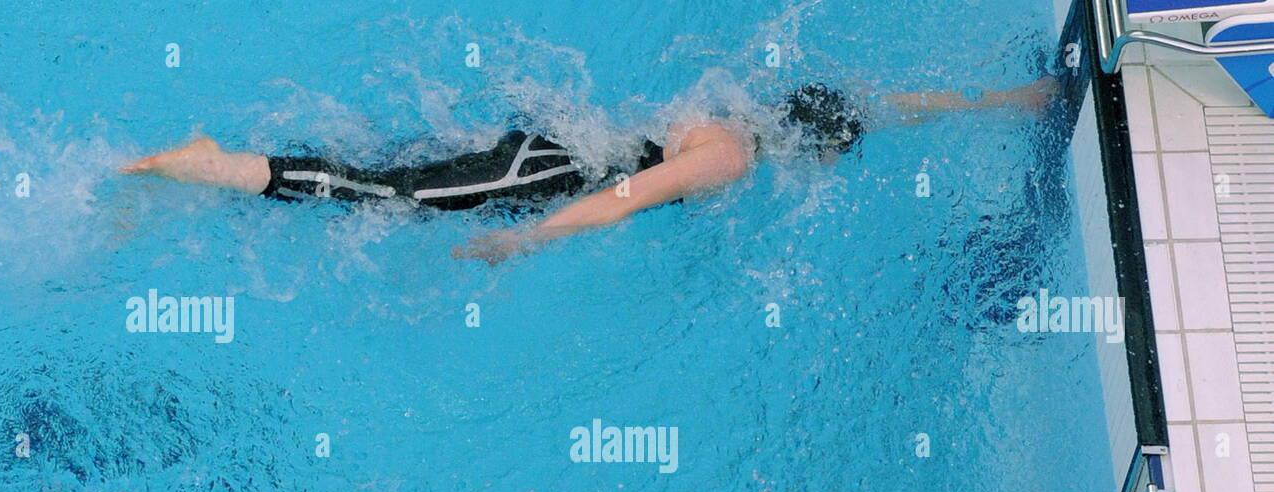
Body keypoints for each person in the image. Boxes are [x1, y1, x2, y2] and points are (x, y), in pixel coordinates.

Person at [121, 78, 1056, 263]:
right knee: (390, 195)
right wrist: (527, 237)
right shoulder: (731, 156)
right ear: (823, 147)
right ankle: (225, 166)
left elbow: (888, 100)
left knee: (399, 174)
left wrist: (998, 103)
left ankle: (235, 161)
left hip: (550, 142)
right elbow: (620, 201)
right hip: (543, 178)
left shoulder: (737, 111)